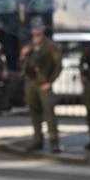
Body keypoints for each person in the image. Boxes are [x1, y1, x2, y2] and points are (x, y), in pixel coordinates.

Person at [20, 16, 62, 153]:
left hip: (44, 83)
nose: (36, 30)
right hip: (30, 83)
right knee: (34, 113)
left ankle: (54, 142)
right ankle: (37, 140)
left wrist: (50, 82)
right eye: (33, 28)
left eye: (38, 27)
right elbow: (20, 65)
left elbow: (58, 66)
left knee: (49, 113)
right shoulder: (28, 46)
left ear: (43, 29)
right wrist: (22, 55)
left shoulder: (50, 46)